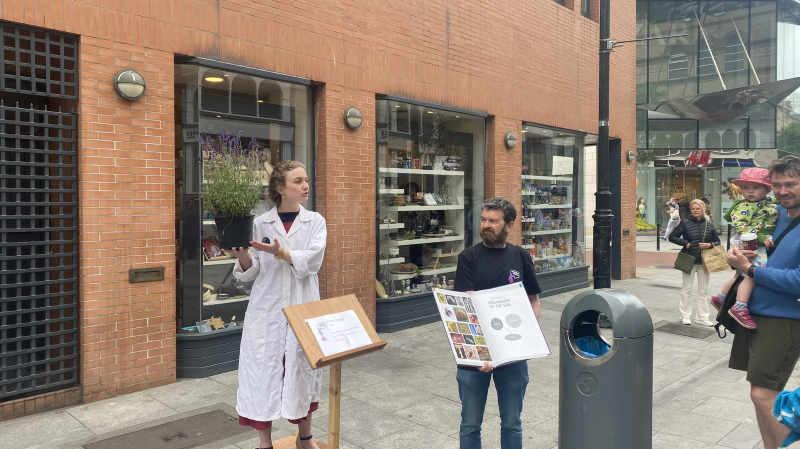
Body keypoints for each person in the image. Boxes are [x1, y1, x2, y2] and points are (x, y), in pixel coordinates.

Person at [230, 161, 327, 449]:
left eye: (306, 180)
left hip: (301, 306)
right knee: (264, 374)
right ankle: (265, 442)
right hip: (268, 309)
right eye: (298, 181)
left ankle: (305, 438)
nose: (305, 185)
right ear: (280, 188)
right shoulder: (260, 223)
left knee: (302, 371)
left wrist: (280, 251)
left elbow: (312, 261)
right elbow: (249, 271)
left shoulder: (315, 222)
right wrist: (244, 254)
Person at [453, 197, 542, 449]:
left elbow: (533, 300)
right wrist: (485, 351)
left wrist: (527, 334)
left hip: (513, 355)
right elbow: (467, 309)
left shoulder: (521, 256)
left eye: (493, 221)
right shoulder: (468, 258)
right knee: (470, 425)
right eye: (483, 220)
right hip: (476, 354)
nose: (486, 225)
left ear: (509, 226)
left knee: (512, 423)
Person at [726, 155, 800, 449]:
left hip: (785, 319)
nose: (783, 191)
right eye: (778, 185)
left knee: (763, 395)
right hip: (755, 313)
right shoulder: (773, 214)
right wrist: (741, 259)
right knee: (760, 394)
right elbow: (755, 250)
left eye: (791, 184)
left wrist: (752, 271)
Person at [710, 168, 778, 329]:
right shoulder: (743, 206)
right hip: (751, 241)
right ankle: (740, 306)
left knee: (739, 274)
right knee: (753, 274)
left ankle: (721, 297)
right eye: (746, 188)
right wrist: (761, 238)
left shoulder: (768, 202)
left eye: (755, 187)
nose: (750, 191)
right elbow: (741, 227)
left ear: (767, 189)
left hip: (756, 240)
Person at [669, 198, 721, 326]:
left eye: (698, 208)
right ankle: (685, 316)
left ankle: (702, 317)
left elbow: (717, 241)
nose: (695, 211)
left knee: (703, 291)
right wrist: (685, 243)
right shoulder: (685, 223)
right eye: (693, 209)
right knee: (686, 289)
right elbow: (672, 236)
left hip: (704, 261)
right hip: (689, 259)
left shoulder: (709, 224)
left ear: (703, 209)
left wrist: (709, 245)